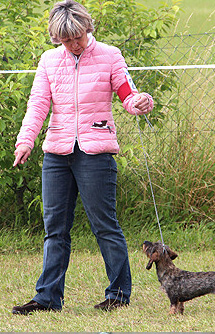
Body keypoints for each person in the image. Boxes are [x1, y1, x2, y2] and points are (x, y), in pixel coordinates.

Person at [12, 0, 153, 315]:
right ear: (57, 38)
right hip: (56, 155)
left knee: (104, 226)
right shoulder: (49, 60)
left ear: (87, 29)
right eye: (66, 40)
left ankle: (118, 294)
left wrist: (141, 102)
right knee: (55, 229)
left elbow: (128, 95)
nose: (74, 44)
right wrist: (26, 140)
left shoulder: (110, 55)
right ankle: (47, 298)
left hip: (95, 153)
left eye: (78, 37)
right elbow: (38, 104)